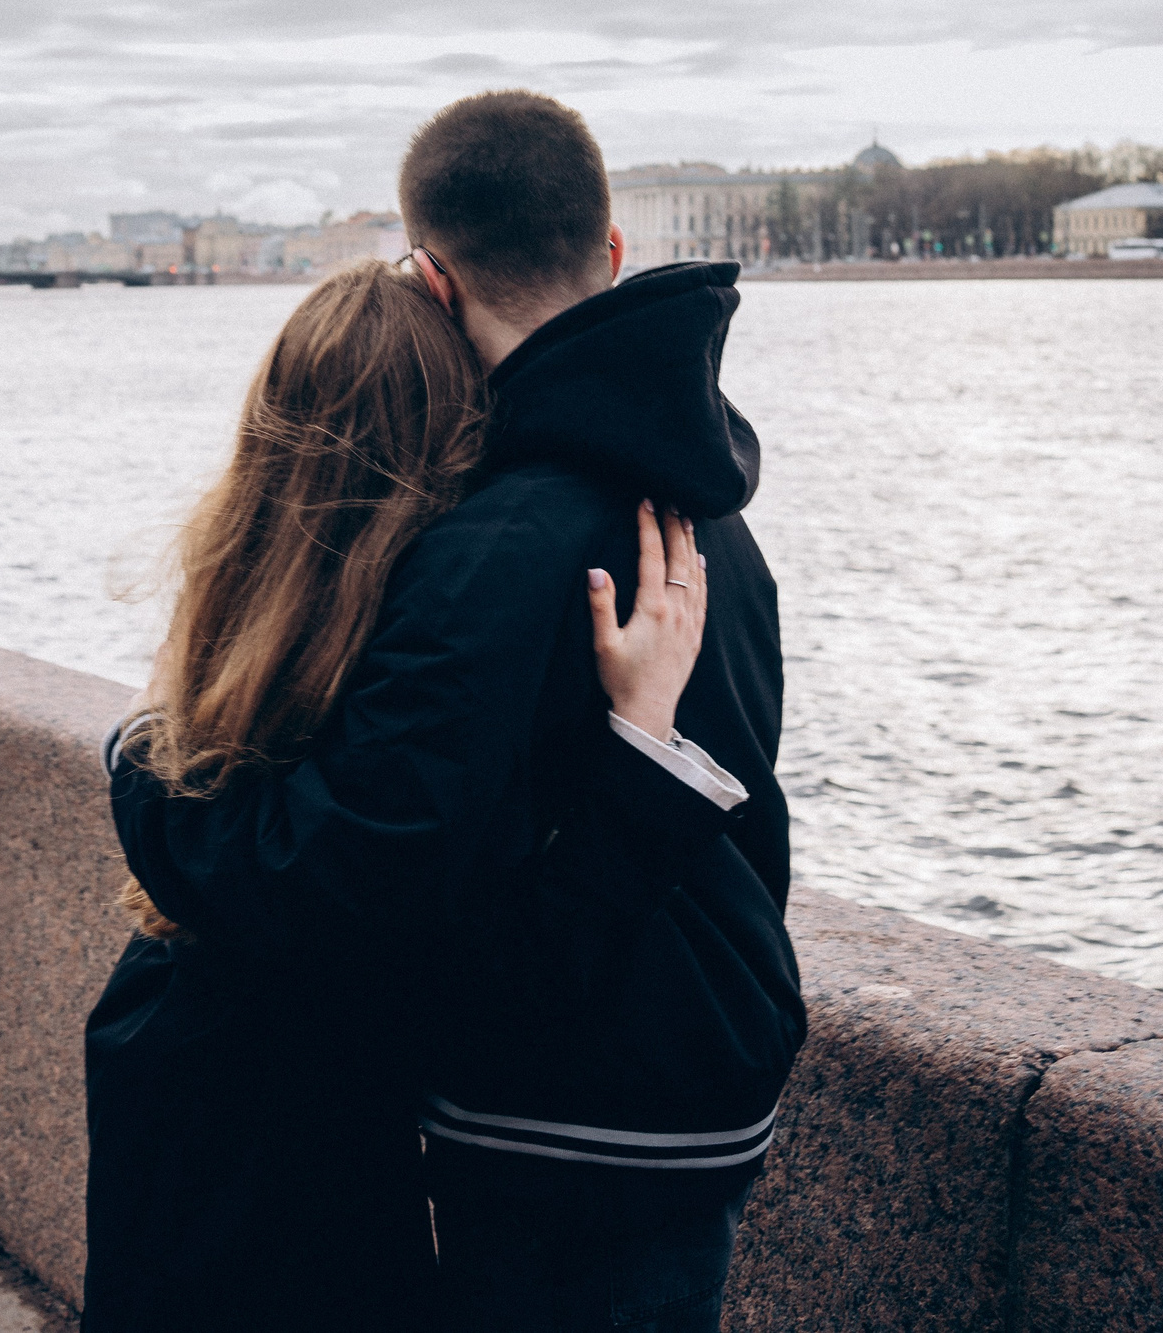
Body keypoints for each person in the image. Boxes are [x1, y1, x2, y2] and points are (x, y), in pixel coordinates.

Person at [103, 91, 802, 1333]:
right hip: (716, 1062)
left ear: (428, 277)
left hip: (561, 1103)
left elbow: (351, 860)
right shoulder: (713, 515)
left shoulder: (487, 543)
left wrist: (147, 762)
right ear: (613, 249)